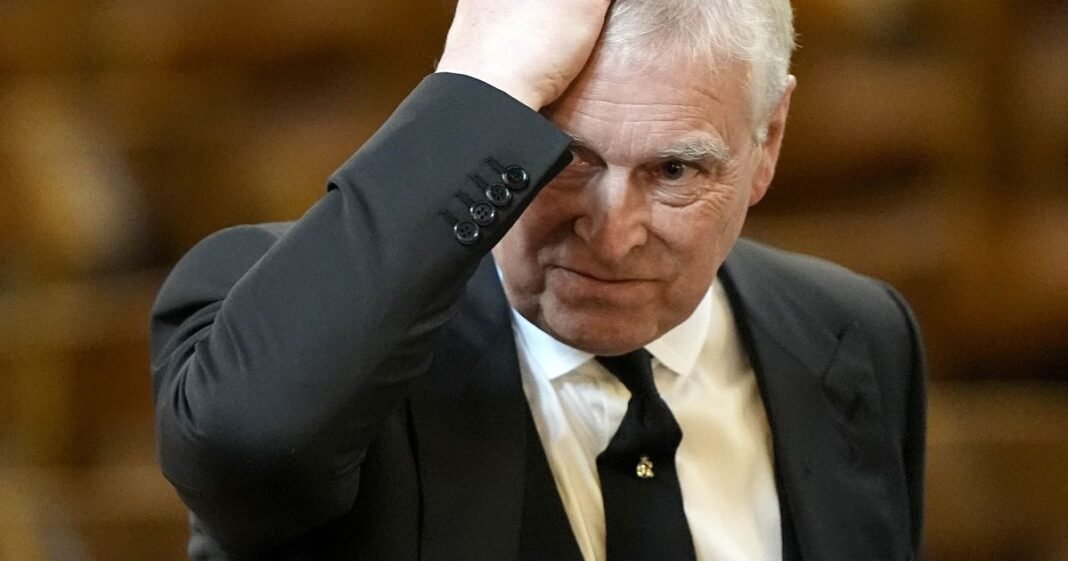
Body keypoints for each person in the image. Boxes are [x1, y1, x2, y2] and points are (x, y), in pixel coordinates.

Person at [150, 0, 926, 560]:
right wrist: (478, 82)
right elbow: (243, 449)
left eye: (675, 170)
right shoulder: (307, 333)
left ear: (769, 141)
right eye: (566, 159)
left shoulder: (855, 335)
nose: (613, 236)